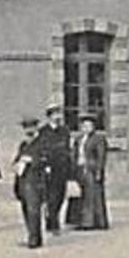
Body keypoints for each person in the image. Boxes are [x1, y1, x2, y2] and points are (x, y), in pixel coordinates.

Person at [35, 105, 73, 234]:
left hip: (62, 168)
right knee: (51, 197)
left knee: (60, 196)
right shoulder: (43, 131)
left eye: (59, 114)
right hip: (49, 168)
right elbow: (40, 149)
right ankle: (53, 223)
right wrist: (44, 165)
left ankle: (52, 217)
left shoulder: (65, 131)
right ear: (50, 116)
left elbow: (67, 149)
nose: (58, 117)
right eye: (55, 114)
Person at [12, 117, 47, 249]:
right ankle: (31, 235)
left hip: (35, 181)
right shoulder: (24, 144)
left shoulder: (42, 143)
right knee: (26, 209)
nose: (28, 131)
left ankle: (35, 238)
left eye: (31, 128)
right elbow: (17, 159)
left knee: (34, 210)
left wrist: (31, 160)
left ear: (36, 128)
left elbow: (45, 159)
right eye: (26, 128)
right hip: (23, 180)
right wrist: (15, 164)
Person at [74, 114, 109, 231]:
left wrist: (99, 171)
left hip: (91, 169)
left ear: (93, 127)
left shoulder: (98, 139)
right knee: (82, 196)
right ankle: (82, 220)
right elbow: (75, 154)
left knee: (93, 196)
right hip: (80, 169)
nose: (86, 128)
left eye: (89, 125)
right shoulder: (79, 139)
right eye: (84, 125)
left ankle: (93, 222)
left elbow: (101, 157)